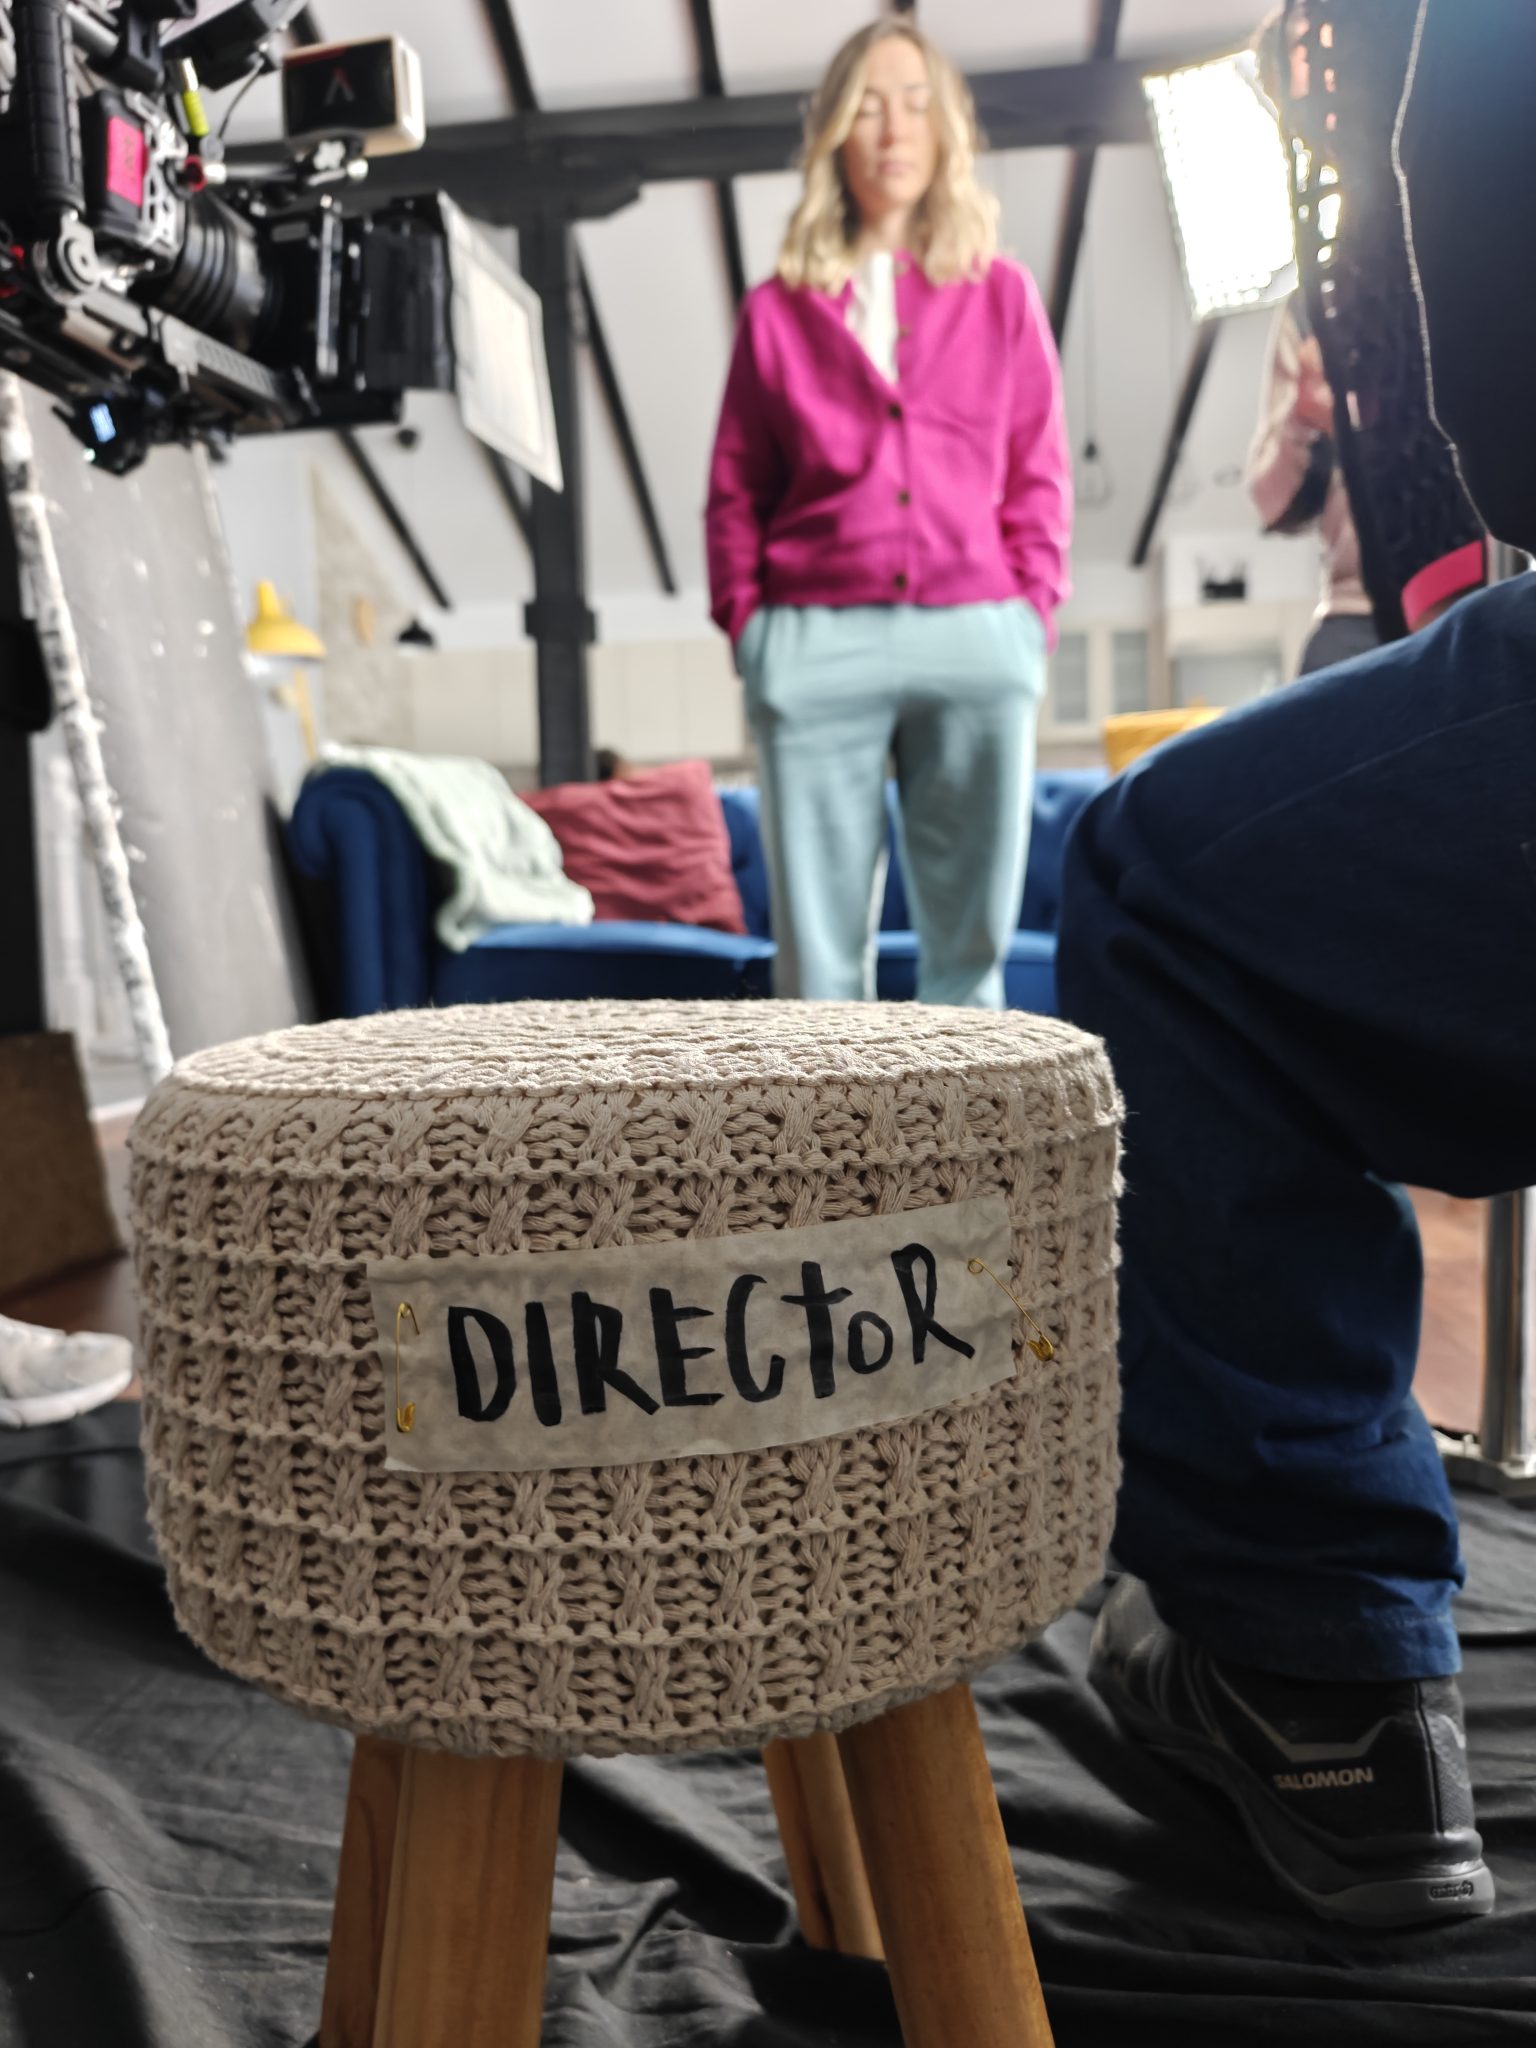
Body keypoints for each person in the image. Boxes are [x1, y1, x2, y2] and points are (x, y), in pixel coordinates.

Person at [1059, 0, 1533, 1929]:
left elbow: (1496, 271)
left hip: (1453, 576)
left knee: (1162, 881)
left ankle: (1317, 1667)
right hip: (1409, 594)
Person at [705, 19, 1070, 1008]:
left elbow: (1038, 469)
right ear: (835, 132)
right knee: (818, 973)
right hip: (813, 638)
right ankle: (830, 1119)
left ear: (944, 129)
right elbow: (736, 485)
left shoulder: (1002, 295)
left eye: (914, 103)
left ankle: (972, 1118)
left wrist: (1029, 616)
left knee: (971, 960)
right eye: (868, 105)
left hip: (978, 630)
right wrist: (752, 629)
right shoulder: (777, 309)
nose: (894, 128)